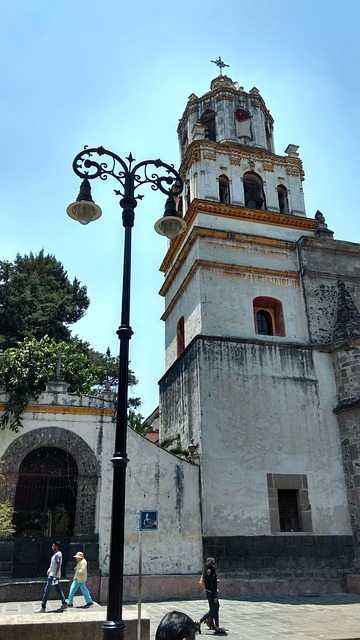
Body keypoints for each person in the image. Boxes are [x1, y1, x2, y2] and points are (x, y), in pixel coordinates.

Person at [195, 557, 226, 634]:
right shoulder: (210, 572)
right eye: (213, 563)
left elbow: (210, 583)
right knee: (212, 610)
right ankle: (199, 622)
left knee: (216, 608)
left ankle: (217, 626)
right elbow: (211, 585)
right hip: (211, 593)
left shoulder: (208, 571)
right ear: (211, 564)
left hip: (210, 592)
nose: (215, 565)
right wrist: (215, 595)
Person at [35, 540, 68, 613]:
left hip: (53, 576)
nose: (52, 547)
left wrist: (55, 576)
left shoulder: (58, 555)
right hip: (53, 574)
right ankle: (64, 603)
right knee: (58, 589)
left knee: (47, 590)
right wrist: (49, 569)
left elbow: (58, 565)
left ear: (56, 546)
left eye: (53, 545)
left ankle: (43, 607)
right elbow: (54, 565)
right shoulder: (55, 554)